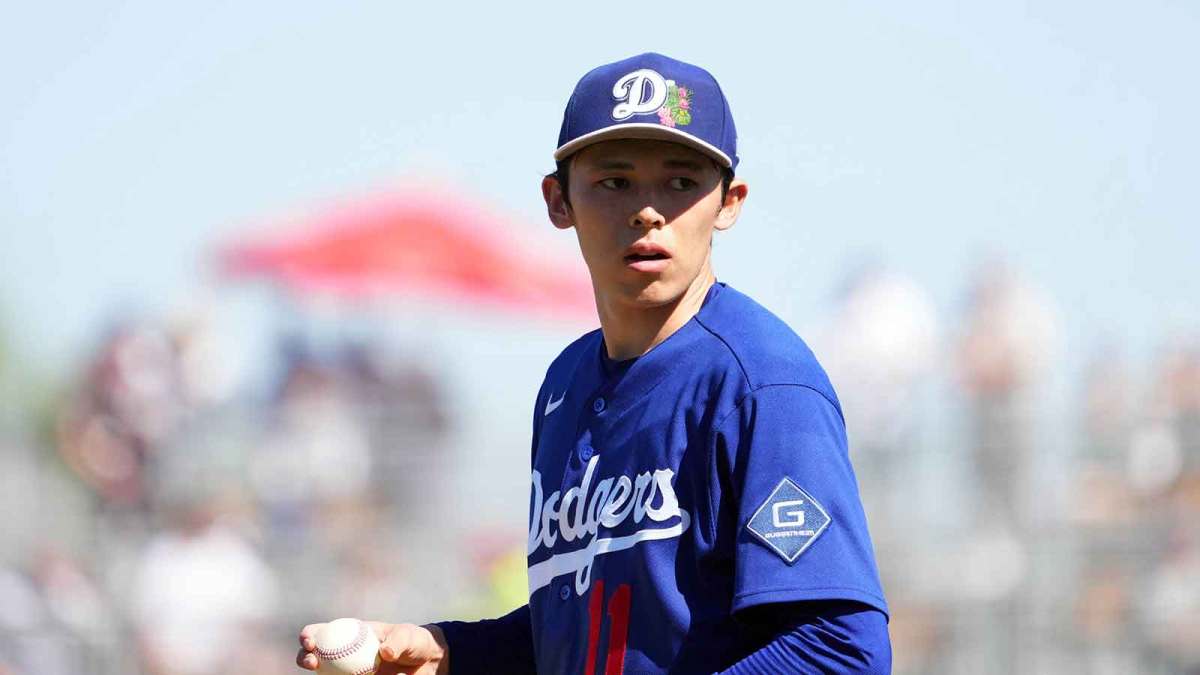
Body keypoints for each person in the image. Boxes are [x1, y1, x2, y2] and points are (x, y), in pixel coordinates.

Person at [297, 52, 890, 674]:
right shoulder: (565, 385)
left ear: (730, 202)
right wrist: (455, 652)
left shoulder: (761, 384)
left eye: (682, 182)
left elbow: (838, 650)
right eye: (614, 181)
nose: (648, 210)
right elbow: (591, 628)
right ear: (559, 201)